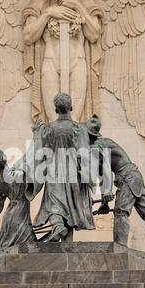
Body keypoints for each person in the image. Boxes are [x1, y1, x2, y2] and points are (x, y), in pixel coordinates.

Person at [87, 115, 145, 254]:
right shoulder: (101, 145)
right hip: (134, 175)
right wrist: (104, 204)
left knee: (120, 212)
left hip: (127, 176)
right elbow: (102, 174)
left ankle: (120, 247)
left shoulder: (99, 144)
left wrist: (107, 192)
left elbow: (105, 167)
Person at [33, 92, 96, 242]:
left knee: (54, 204)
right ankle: (64, 238)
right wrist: (89, 178)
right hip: (74, 174)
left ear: (56, 110)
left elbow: (38, 152)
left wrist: (36, 133)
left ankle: (57, 226)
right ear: (71, 108)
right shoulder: (80, 129)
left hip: (54, 172)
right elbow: (84, 154)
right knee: (70, 210)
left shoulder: (47, 129)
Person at [0, 148, 36, 248]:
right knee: (31, 246)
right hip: (21, 215)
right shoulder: (19, 172)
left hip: (8, 220)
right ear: (4, 157)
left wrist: (1, 194)